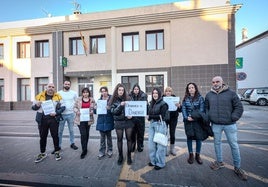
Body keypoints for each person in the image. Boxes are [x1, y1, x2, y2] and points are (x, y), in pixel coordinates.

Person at [205, 76, 247, 181]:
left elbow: (239, 107)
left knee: (234, 145)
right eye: (213, 82)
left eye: (217, 81)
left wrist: (233, 117)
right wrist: (209, 117)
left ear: (222, 82)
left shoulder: (231, 93)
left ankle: (237, 167)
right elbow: (206, 108)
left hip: (230, 124)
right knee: (217, 144)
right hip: (216, 124)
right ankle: (219, 162)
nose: (215, 83)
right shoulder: (209, 95)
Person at [32, 83, 65, 163]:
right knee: (42, 136)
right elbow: (33, 107)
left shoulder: (58, 96)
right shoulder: (39, 96)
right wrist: (37, 105)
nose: (51, 88)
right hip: (42, 119)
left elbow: (63, 107)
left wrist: (56, 113)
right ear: (46, 88)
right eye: (49, 87)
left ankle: (57, 152)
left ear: (54, 88)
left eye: (53, 87)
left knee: (55, 136)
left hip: (53, 119)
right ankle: (42, 153)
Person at [109, 83, 134, 165]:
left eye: (122, 90)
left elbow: (134, 109)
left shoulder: (129, 98)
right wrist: (120, 105)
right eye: (119, 90)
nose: (121, 91)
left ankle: (129, 156)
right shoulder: (113, 100)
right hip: (119, 122)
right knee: (119, 139)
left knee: (129, 139)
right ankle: (120, 156)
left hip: (128, 121)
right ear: (117, 91)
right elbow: (113, 112)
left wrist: (132, 115)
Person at [181, 83, 205, 165]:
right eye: (189, 88)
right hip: (188, 121)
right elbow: (183, 109)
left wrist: (194, 117)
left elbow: (201, 110)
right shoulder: (185, 98)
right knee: (189, 137)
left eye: (192, 87)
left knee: (199, 138)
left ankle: (197, 155)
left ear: (195, 89)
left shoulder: (200, 98)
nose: (190, 89)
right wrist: (186, 117)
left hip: (197, 121)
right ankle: (191, 154)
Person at [147, 87, 169, 170]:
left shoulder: (164, 104)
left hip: (160, 125)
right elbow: (150, 114)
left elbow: (162, 116)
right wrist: (149, 117)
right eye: (153, 93)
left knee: (160, 145)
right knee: (151, 144)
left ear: (159, 94)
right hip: (152, 124)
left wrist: (150, 116)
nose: (155, 95)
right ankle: (153, 161)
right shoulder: (151, 103)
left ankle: (160, 163)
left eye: (156, 93)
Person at [73, 87, 95, 159]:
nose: (85, 94)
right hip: (80, 120)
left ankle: (85, 147)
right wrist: (77, 111)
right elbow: (74, 107)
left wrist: (93, 111)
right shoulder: (78, 99)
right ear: (82, 93)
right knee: (83, 134)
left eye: (87, 92)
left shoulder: (92, 100)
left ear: (89, 93)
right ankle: (84, 150)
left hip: (88, 120)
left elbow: (95, 107)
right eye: (84, 92)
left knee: (87, 134)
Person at [57, 80, 78, 153]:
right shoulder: (59, 93)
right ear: (63, 84)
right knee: (60, 131)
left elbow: (77, 102)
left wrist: (76, 110)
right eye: (66, 84)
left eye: (68, 84)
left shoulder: (74, 93)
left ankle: (72, 143)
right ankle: (58, 146)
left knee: (71, 130)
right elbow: (56, 103)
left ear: (70, 85)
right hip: (62, 115)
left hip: (71, 114)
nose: (67, 85)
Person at [95, 86, 114, 159]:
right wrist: (95, 109)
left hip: (108, 120)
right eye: (102, 91)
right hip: (101, 121)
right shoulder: (99, 100)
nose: (104, 93)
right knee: (102, 138)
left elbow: (114, 109)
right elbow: (96, 112)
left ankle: (110, 150)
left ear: (107, 91)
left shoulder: (111, 99)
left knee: (109, 137)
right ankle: (102, 151)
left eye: (105, 91)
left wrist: (109, 109)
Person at [129, 84, 148, 152]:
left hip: (140, 118)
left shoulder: (143, 96)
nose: (136, 90)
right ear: (133, 90)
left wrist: (146, 105)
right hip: (132, 118)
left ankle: (140, 146)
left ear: (139, 90)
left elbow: (146, 107)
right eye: (135, 89)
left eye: (137, 89)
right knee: (132, 133)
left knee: (140, 133)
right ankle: (133, 146)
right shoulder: (129, 96)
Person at [162, 86, 181, 156]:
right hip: (165, 118)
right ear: (165, 92)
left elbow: (179, 110)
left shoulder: (175, 99)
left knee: (172, 133)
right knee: (164, 134)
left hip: (173, 118)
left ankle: (172, 148)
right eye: (167, 91)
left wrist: (179, 106)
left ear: (171, 92)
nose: (168, 92)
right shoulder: (162, 99)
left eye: (169, 91)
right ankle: (165, 149)